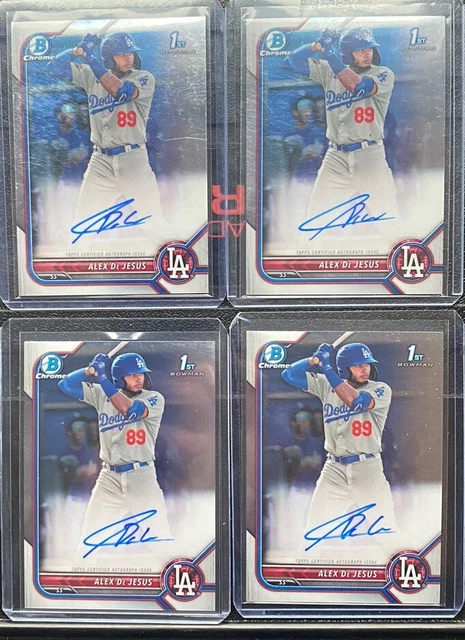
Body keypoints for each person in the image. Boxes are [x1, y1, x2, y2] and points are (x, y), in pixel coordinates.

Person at [47, 31, 166, 253]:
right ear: (110, 58)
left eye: (130, 53)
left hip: (133, 159)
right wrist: (76, 51)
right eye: (121, 54)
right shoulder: (91, 75)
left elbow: (120, 91)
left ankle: (178, 264)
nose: (128, 58)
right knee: (83, 224)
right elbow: (54, 68)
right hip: (100, 161)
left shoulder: (144, 77)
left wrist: (91, 58)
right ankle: (74, 269)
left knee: (154, 223)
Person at [282, 342, 397, 552]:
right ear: (345, 368)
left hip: (367, 468)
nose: (365, 369)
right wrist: (312, 360)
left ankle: (404, 569)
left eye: (367, 364)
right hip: (334, 468)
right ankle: (303, 570)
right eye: (358, 365)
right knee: (313, 530)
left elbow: (356, 401)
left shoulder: (380, 389)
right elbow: (289, 375)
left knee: (385, 531)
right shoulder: (326, 385)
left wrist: (326, 367)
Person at [58, 351, 172, 564]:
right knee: (89, 536)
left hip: (141, 476)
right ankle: (78, 578)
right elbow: (65, 385)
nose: (139, 378)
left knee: (159, 538)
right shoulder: (102, 394)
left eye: (141, 373)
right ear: (120, 378)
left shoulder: (153, 398)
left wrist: (102, 378)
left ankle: (177, 579)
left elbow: (130, 411)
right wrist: (88, 371)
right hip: (108, 477)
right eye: (132, 374)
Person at [285, 27, 398, 239]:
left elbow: (359, 87)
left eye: (370, 48)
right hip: (335, 156)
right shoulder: (329, 70)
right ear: (347, 53)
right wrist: (315, 45)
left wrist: (329, 53)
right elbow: (292, 62)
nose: (368, 53)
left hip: (369, 155)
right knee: (314, 220)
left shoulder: (383, 73)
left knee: (388, 220)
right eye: (360, 50)